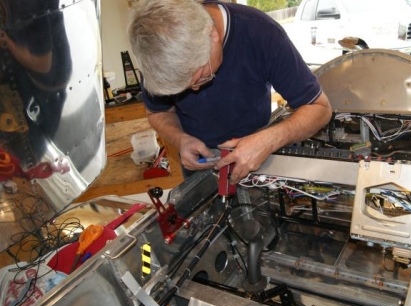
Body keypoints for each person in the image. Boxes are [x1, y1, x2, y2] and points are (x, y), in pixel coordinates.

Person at [128, 0, 332, 185]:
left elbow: (320, 109)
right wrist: (181, 139)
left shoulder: (260, 32)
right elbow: (157, 112)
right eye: (183, 89)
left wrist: (268, 140)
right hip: (202, 164)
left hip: (261, 156)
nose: (196, 89)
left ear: (213, 35)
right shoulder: (159, 58)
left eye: (201, 77)